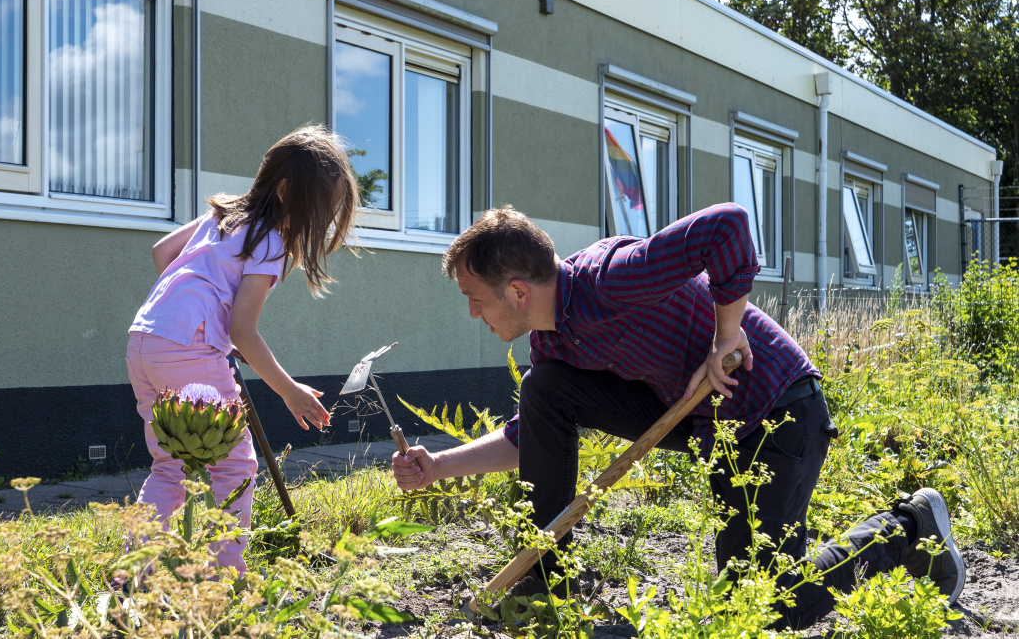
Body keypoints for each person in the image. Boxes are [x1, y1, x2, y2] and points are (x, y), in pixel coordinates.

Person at [391, 203, 964, 628]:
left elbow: (729, 228)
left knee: (762, 607)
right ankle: (546, 583)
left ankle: (908, 526)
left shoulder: (610, 279)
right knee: (545, 388)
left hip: (776, 408)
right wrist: (436, 466)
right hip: (699, 419)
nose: (472, 313)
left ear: (517, 291)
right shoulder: (553, 338)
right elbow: (529, 437)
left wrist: (727, 335)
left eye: (475, 297)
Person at [126, 125, 359, 574]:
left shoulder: (222, 214)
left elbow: (162, 253)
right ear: (287, 192)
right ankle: (226, 575)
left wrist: (198, 299)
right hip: (189, 350)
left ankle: (135, 572)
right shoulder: (268, 240)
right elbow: (243, 330)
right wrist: (289, 390)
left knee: (169, 464)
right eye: (317, 211)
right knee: (235, 467)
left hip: (144, 339)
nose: (317, 224)